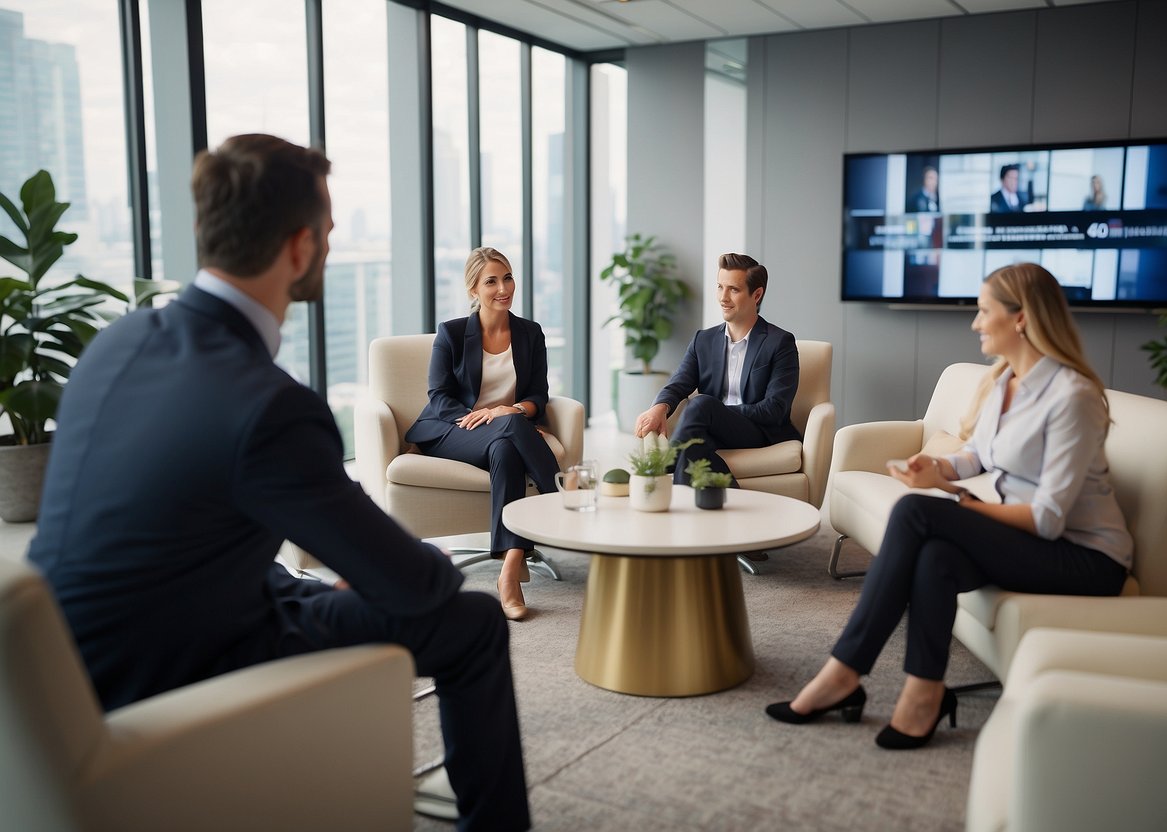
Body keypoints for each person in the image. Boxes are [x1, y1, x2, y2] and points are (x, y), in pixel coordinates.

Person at [27, 134, 530, 831]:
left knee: (318, 584)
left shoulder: (119, 340)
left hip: (75, 654)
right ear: (298, 247)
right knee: (468, 619)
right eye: (325, 230)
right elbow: (417, 587)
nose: (328, 243)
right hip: (171, 666)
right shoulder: (268, 404)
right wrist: (408, 567)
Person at [765, 262, 1131, 750]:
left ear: (1020, 318)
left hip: (1085, 559)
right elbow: (977, 456)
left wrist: (957, 503)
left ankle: (842, 672)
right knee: (937, 557)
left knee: (919, 514)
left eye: (984, 312)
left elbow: (1047, 520)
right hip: (1032, 540)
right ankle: (924, 694)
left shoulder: (1072, 396)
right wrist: (935, 471)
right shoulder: (1005, 382)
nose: (976, 323)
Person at [407, 247, 560, 622]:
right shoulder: (453, 333)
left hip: (505, 435)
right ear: (473, 289)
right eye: (491, 281)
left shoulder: (529, 333)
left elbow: (537, 394)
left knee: (506, 449)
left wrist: (514, 410)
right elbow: (438, 397)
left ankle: (510, 570)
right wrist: (489, 417)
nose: (503, 287)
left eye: (507, 277)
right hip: (450, 431)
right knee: (509, 426)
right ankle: (562, 497)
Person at [633, 252, 800, 486]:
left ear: (757, 294)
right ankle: (728, 501)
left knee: (701, 404)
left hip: (759, 432)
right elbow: (679, 383)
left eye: (733, 289)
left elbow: (775, 410)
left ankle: (666, 465)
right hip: (709, 429)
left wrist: (718, 412)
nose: (723, 297)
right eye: (720, 286)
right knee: (695, 452)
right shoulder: (703, 340)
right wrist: (658, 408)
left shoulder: (780, 342)